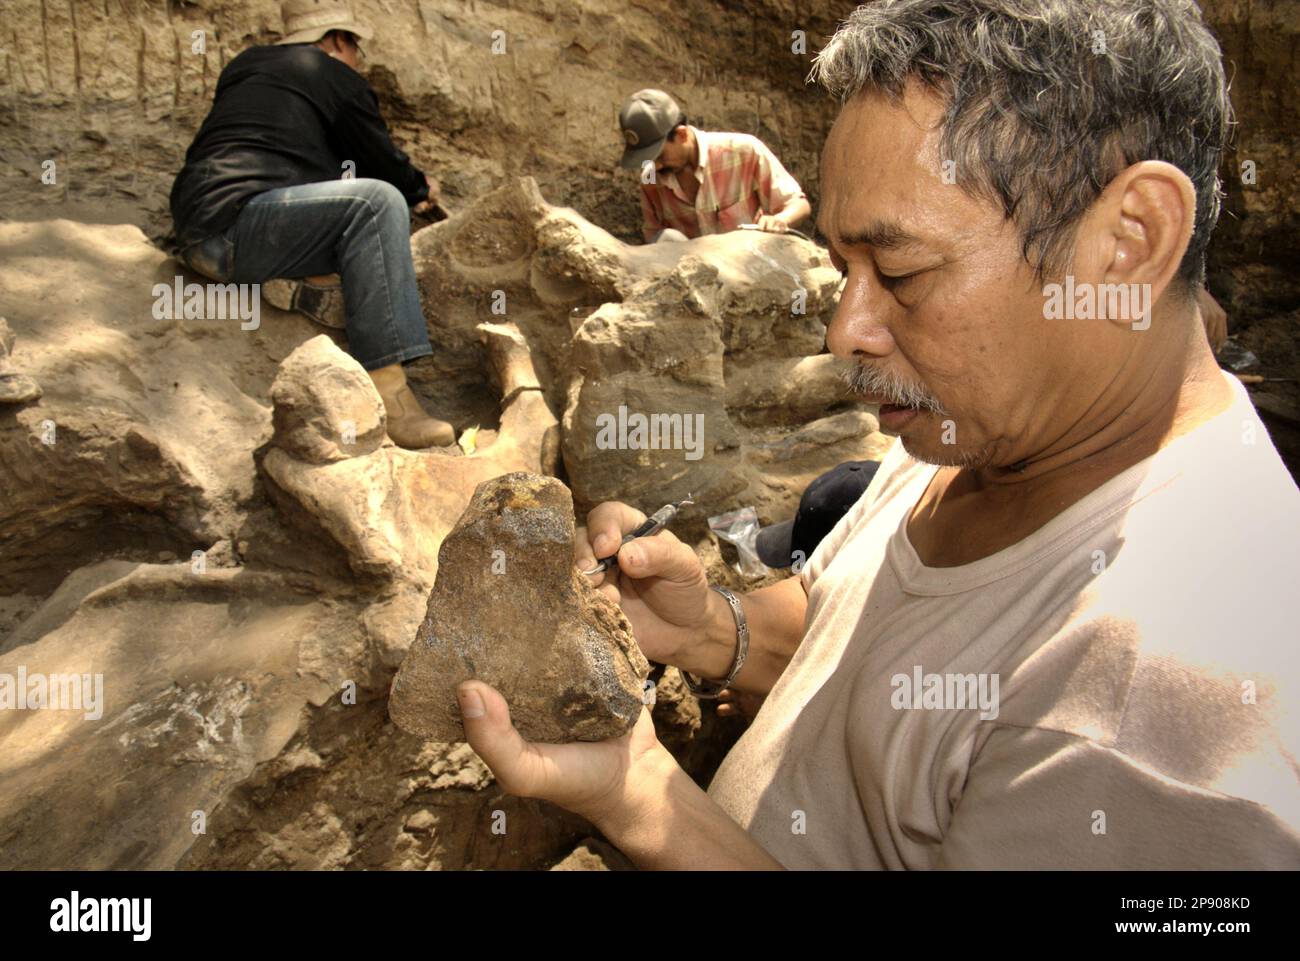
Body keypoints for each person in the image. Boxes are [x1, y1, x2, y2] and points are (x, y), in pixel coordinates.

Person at [457, 0, 1300, 869]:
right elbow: (868, 653)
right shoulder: (976, 424)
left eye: (899, 270)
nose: (845, 330)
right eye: (844, 264)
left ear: (1129, 242)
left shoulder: (1162, 716)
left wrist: (641, 796)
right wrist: (713, 628)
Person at [169, 0, 455, 449]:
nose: (358, 59)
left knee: (350, 230)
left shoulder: (245, 65)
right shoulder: (335, 75)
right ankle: (393, 399)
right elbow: (379, 160)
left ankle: (297, 283)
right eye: (356, 47)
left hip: (196, 223)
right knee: (378, 203)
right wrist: (421, 188)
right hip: (240, 225)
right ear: (338, 40)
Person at [618, 89, 812, 243]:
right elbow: (654, 239)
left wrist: (780, 219)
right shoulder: (650, 179)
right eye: (647, 158)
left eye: (659, 155)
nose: (655, 166)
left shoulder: (743, 151)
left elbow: (799, 204)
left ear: (682, 135)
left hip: (750, 271)